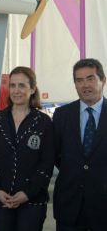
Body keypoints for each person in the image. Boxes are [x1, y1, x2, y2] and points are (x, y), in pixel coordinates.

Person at [0, 66, 54, 231]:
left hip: (32, 201)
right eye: (13, 85)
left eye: (22, 85)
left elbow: (47, 162)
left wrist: (28, 193)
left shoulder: (44, 122)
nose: (16, 90)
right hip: (0, 199)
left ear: (32, 89)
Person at [53, 58, 107, 231]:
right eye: (79, 80)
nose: (85, 85)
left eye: (90, 78)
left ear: (103, 80)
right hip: (69, 206)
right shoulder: (62, 115)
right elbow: (55, 155)